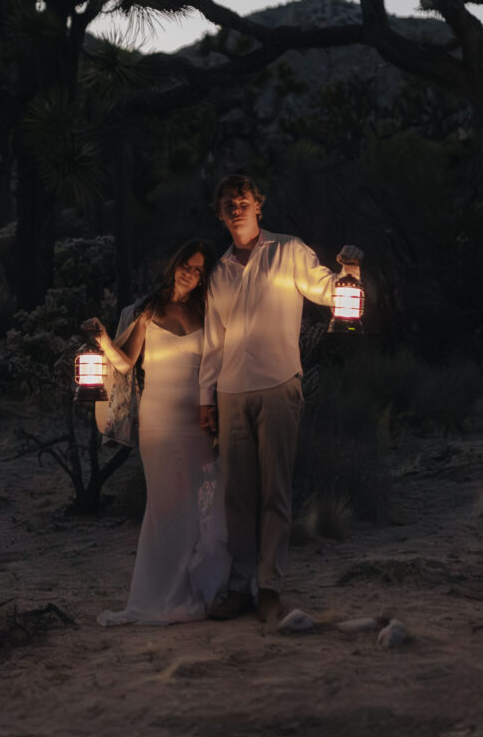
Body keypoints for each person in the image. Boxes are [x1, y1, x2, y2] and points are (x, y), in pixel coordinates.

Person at [195, 174, 360, 624]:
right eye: (228, 202)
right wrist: (205, 398)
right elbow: (213, 340)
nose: (236, 207)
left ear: (258, 206)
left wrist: (350, 277)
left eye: (243, 200)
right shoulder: (220, 270)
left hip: (278, 384)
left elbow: (326, 289)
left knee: (276, 493)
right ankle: (239, 587)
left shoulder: (288, 250)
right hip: (230, 391)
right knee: (237, 496)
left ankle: (269, 587)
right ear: (220, 213)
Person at [83, 241, 228, 626]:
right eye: (186, 265)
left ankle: (199, 587)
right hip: (159, 421)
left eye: (198, 270)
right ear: (174, 264)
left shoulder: (207, 313)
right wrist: (101, 339)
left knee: (203, 499)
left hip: (196, 422)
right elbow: (126, 363)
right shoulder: (149, 309)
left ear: (204, 278)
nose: (190, 274)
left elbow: (217, 369)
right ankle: (156, 595)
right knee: (165, 506)